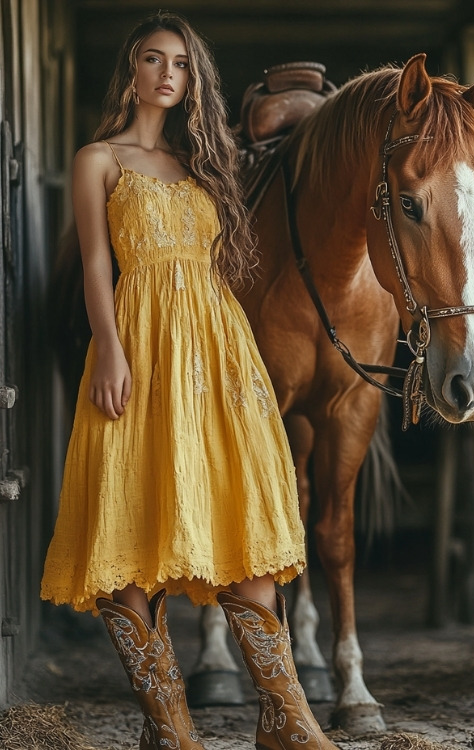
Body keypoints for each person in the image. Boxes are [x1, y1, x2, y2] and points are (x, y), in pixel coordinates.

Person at [41, 11, 337, 750]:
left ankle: (287, 719)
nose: (167, 72)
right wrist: (108, 348)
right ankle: (169, 727)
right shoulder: (98, 159)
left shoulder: (207, 162)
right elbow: (97, 267)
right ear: (132, 71)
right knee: (128, 515)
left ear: (192, 79)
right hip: (137, 347)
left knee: (242, 520)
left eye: (180, 63)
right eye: (152, 58)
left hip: (216, 353)